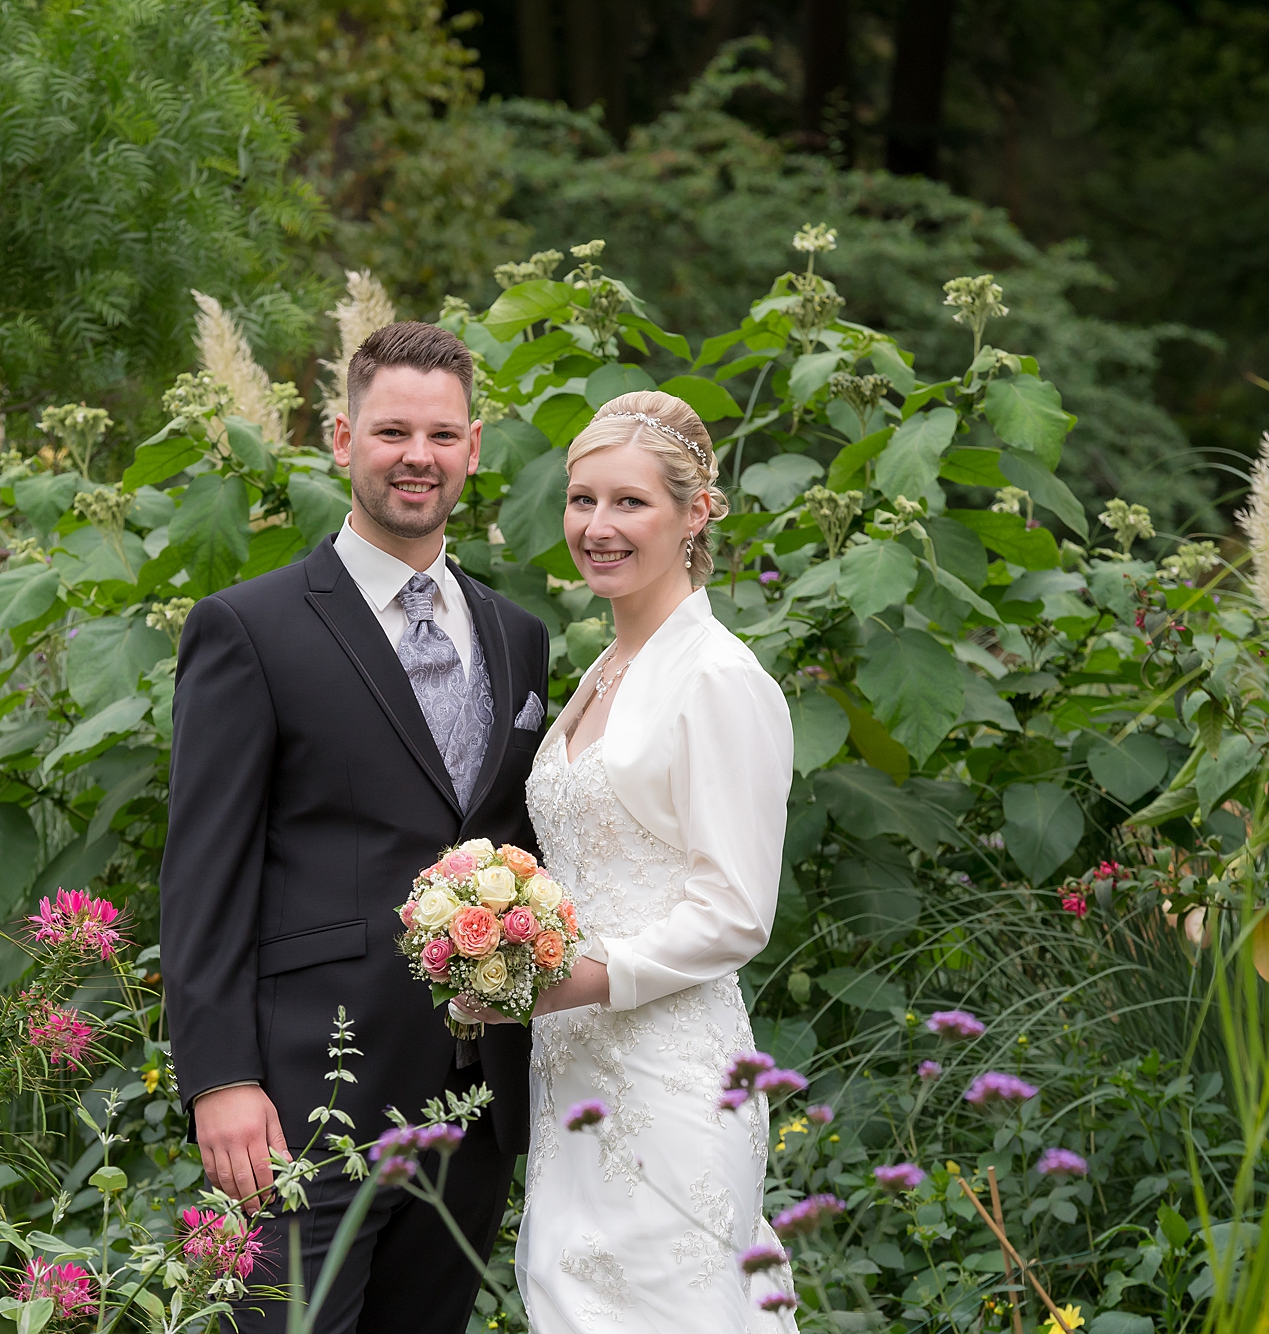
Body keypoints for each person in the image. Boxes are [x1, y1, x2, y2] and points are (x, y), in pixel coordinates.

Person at [161, 321, 553, 1334]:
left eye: (441, 434)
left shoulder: (518, 634)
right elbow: (203, 873)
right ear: (341, 440)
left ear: (473, 447)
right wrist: (220, 1077)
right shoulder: (249, 627)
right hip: (305, 1101)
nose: (417, 456)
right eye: (391, 432)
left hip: (473, 1105)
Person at [455, 390, 797, 1330]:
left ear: (696, 514)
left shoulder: (719, 678)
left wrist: (570, 983)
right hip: (573, 1070)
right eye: (582, 500)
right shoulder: (607, 670)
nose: (596, 527)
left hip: (668, 1068)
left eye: (629, 502)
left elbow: (736, 911)